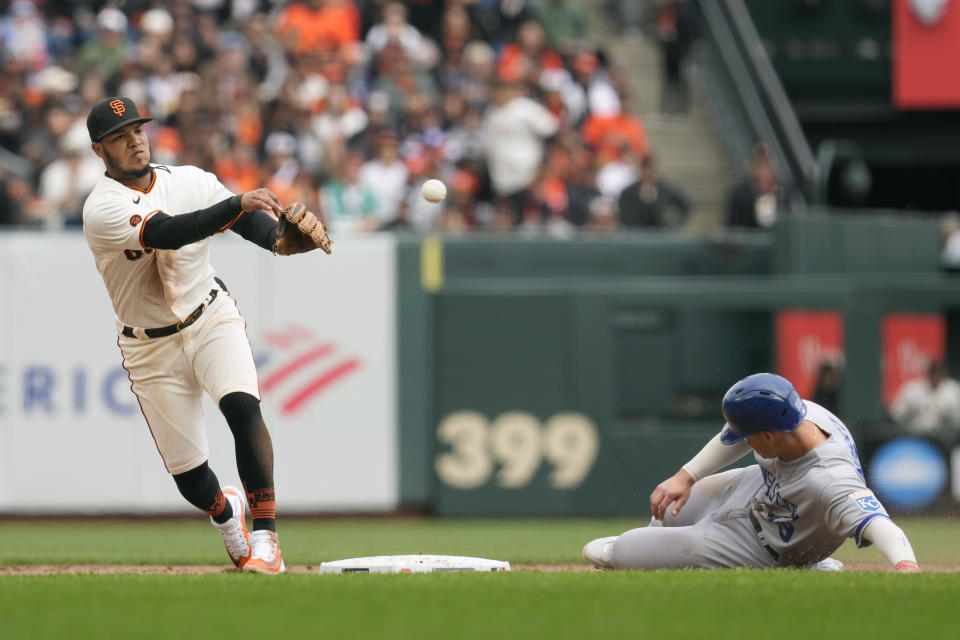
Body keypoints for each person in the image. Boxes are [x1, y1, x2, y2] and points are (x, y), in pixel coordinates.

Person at [81, 97, 325, 574]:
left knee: (241, 405)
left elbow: (242, 218)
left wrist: (275, 240)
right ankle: (224, 512)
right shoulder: (101, 208)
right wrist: (237, 202)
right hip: (148, 343)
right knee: (190, 478)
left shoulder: (188, 179)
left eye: (137, 130)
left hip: (209, 314)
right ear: (99, 149)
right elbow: (171, 232)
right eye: (119, 136)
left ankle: (266, 538)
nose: (133, 140)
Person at [583, 373, 922, 572]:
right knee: (666, 517)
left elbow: (881, 525)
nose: (742, 439)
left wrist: (906, 568)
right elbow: (735, 439)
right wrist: (685, 477)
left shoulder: (829, 477)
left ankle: (810, 566)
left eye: (749, 436)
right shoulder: (802, 414)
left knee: (614, 551)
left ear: (770, 435)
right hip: (756, 492)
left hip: (763, 547)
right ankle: (671, 534)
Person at [889, 361, 960, 446]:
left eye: (939, 373)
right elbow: (895, 415)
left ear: (943, 375)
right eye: (934, 373)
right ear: (929, 374)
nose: (936, 376)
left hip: (943, 441)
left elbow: (957, 422)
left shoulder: (953, 391)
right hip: (914, 438)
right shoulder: (913, 390)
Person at [617, 153, 690, 228]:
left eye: (653, 169)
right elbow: (625, 215)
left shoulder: (666, 190)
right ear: (641, 170)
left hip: (661, 235)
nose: (649, 174)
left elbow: (685, 205)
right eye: (647, 169)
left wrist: (675, 225)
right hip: (636, 235)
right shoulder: (628, 193)